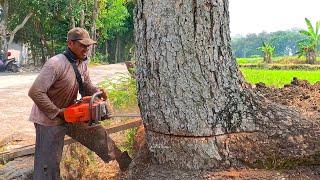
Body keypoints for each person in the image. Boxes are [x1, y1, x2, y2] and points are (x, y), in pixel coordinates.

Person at [28, 27, 131, 180]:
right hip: (48, 119)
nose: (87, 49)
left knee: (97, 134)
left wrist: (98, 92)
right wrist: (57, 112)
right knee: (48, 165)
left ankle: (124, 161)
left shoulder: (81, 62)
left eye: (88, 46)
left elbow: (85, 85)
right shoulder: (55, 64)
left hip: (69, 113)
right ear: (70, 43)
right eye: (83, 45)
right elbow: (35, 92)